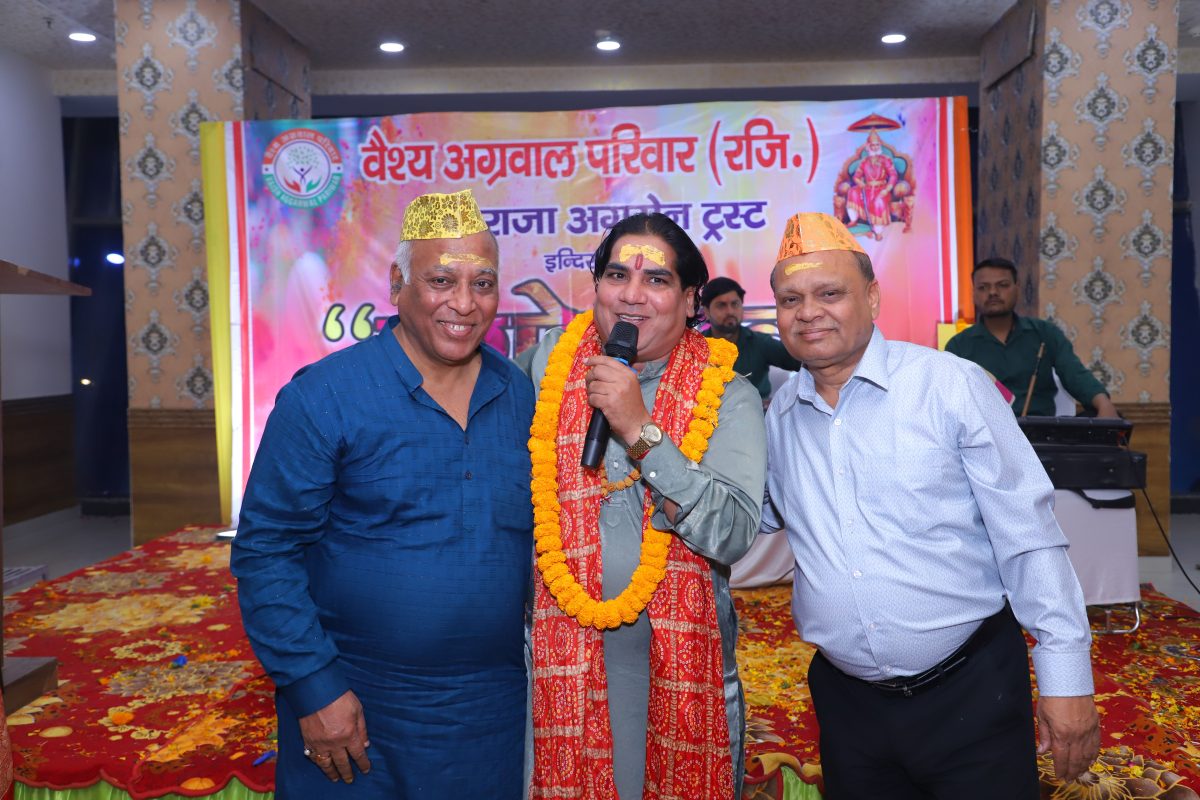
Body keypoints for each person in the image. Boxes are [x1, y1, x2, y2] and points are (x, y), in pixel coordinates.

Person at [760, 212, 1100, 797]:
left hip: (971, 692)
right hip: (847, 706)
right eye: (791, 299)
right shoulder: (779, 416)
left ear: (872, 297)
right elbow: (752, 516)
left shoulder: (950, 386)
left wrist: (1066, 676)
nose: (808, 312)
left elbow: (1028, 535)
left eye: (829, 293)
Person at [231, 189, 534, 799]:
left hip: (490, 718)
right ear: (397, 283)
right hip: (355, 711)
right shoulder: (324, 395)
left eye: (482, 284)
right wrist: (314, 686)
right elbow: (266, 551)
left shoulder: (521, 396)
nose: (464, 303)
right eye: (441, 280)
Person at [522, 213, 766, 799]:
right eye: (616, 275)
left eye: (656, 280)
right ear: (596, 286)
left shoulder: (727, 394)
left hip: (677, 671)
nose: (632, 295)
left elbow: (733, 533)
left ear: (690, 300)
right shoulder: (546, 367)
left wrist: (639, 429)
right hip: (559, 667)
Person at [946, 257, 1119, 418]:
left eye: (1002, 285)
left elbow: (1074, 374)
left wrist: (1104, 404)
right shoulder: (958, 346)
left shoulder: (1044, 333)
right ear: (973, 293)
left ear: (1017, 288)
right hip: (987, 433)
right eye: (983, 287)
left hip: (1039, 430)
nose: (992, 292)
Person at [700, 276, 801, 402]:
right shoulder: (695, 347)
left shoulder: (760, 342)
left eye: (735, 304)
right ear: (706, 312)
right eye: (721, 305)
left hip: (757, 412)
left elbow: (804, 363)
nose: (730, 311)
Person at [844, 130, 898, 241]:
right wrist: (861, 183)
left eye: (877, 145)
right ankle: (854, 220)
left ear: (880, 145)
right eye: (873, 145)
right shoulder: (865, 161)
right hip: (867, 189)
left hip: (881, 189)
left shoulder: (885, 160)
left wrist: (887, 189)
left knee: (878, 202)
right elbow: (857, 176)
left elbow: (893, 175)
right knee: (853, 192)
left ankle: (878, 232)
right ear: (869, 146)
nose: (875, 147)